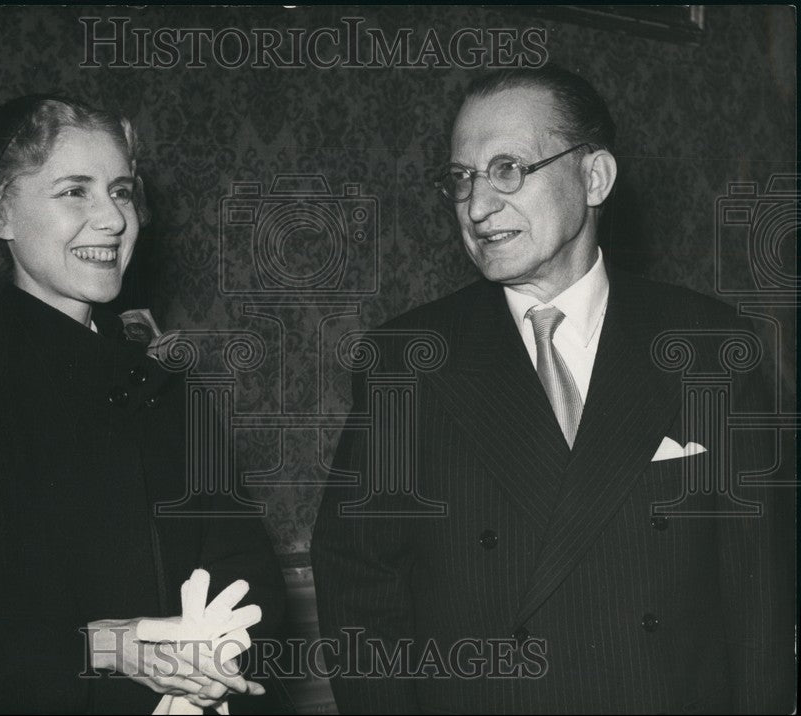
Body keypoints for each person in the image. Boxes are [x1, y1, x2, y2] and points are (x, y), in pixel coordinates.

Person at [311, 66, 795, 714]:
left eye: (508, 168)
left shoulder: (711, 347)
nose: (478, 206)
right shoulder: (406, 364)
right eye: (462, 179)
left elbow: (757, 591)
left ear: (594, 177)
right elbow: (359, 597)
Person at [0, 95, 287, 714]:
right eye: (74, 191)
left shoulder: (171, 397)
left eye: (120, 191)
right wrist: (97, 647)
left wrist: (217, 666)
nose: (113, 219)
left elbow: (253, 588)